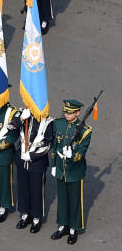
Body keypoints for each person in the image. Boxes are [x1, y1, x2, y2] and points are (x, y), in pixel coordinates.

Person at [50, 99, 93, 244]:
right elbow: (55, 145)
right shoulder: (58, 124)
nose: (67, 115)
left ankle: (73, 229)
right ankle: (62, 226)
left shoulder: (86, 130)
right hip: (61, 169)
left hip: (75, 171)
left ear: (78, 113)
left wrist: (72, 155)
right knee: (62, 200)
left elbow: (82, 151)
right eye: (66, 112)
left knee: (74, 200)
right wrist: (54, 164)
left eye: (70, 113)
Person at [8, 106, 53, 232]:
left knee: (37, 190)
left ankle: (36, 218)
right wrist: (21, 118)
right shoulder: (23, 113)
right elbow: (10, 127)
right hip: (21, 158)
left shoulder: (48, 122)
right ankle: (25, 214)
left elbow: (48, 143)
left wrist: (33, 155)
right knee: (23, 188)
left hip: (37, 162)